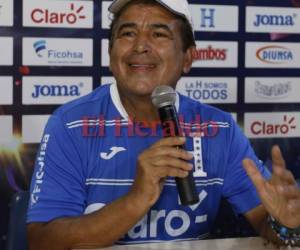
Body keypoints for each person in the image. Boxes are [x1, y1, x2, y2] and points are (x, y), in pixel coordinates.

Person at [27, 0, 300, 249]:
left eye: (158, 34)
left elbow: (269, 226)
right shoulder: (71, 124)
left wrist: (286, 224)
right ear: (110, 53)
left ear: (188, 58)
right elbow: (42, 241)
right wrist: (136, 199)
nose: (140, 46)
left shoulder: (220, 129)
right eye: (127, 33)